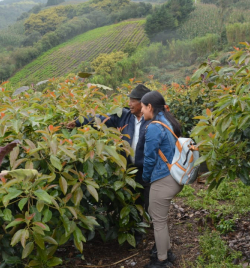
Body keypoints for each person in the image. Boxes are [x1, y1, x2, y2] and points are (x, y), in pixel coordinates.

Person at [66, 84, 152, 213]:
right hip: (128, 168)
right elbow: (101, 119)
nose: (129, 104)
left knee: (149, 200)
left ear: (143, 103)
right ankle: (137, 227)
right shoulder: (124, 115)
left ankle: (150, 222)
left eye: (133, 101)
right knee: (132, 199)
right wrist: (78, 121)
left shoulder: (153, 119)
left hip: (147, 169)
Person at [140, 91, 183, 268]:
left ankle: (162, 260)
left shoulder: (154, 127)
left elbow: (149, 158)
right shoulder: (168, 122)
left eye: (142, 107)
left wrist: (145, 179)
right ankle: (168, 252)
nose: (142, 111)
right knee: (161, 218)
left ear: (150, 107)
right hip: (174, 177)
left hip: (163, 178)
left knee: (158, 221)